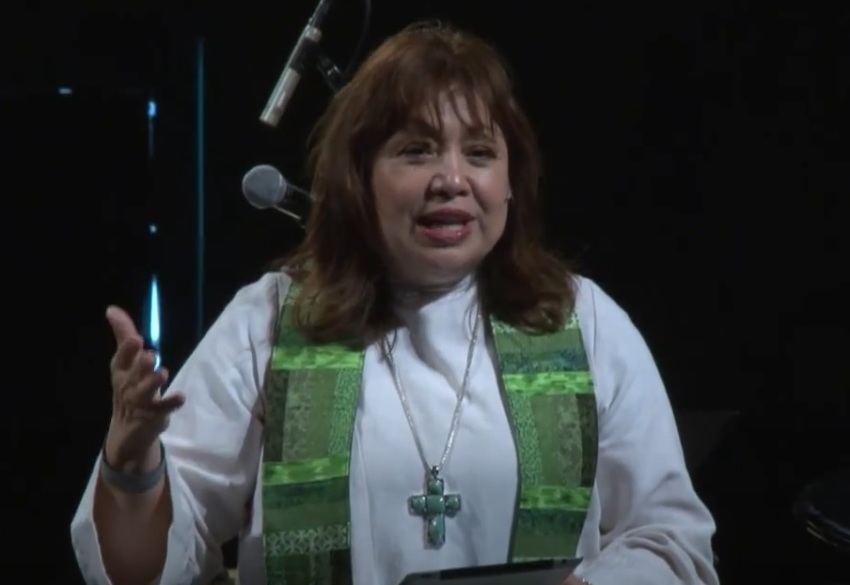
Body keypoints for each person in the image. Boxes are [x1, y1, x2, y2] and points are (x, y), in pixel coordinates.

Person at [71, 21, 720, 585]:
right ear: (358, 180)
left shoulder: (583, 321)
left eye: (480, 152)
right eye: (416, 150)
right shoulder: (272, 321)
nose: (452, 180)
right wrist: (131, 468)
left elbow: (671, 543)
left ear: (510, 183)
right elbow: (145, 570)